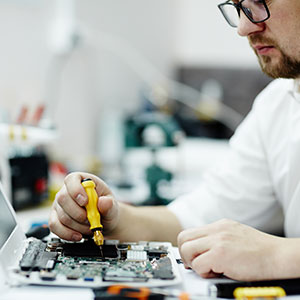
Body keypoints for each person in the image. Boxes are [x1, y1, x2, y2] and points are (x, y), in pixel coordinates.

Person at [49, 0, 300, 282]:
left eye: (259, 2)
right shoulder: (280, 103)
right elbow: (194, 218)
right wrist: (114, 218)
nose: (244, 27)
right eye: (239, 7)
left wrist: (278, 256)